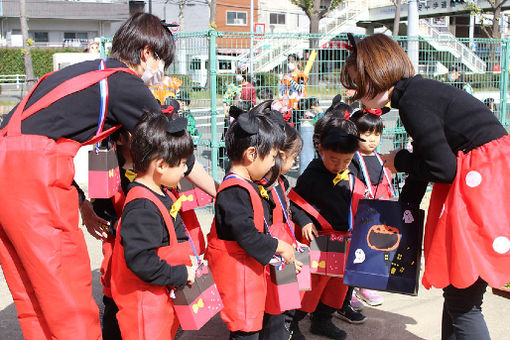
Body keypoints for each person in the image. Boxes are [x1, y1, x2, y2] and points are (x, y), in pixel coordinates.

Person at [0, 12, 181, 340]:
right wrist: (219, 187)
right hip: (36, 183)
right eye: (162, 60)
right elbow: (171, 150)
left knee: (35, 292)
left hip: (13, 169)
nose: (161, 72)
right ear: (146, 53)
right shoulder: (124, 84)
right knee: (66, 289)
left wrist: (86, 204)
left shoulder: (91, 78)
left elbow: (46, 140)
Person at [341, 33, 510, 340]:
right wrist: (403, 209)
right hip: (488, 184)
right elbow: (430, 156)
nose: (356, 96)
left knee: (464, 302)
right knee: (459, 294)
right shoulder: (418, 93)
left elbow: (441, 168)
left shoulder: (414, 102)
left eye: (357, 83)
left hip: (483, 190)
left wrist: (400, 161)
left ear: (375, 75)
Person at [206, 108, 299, 340]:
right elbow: (247, 235)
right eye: (271, 157)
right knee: (245, 331)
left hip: (247, 275)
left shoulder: (247, 184)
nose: (272, 165)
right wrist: (279, 246)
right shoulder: (235, 191)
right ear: (251, 154)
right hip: (239, 279)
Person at [110, 111, 197, 340]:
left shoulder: (161, 191)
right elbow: (141, 260)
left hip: (159, 304)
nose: (185, 170)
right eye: (181, 164)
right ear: (160, 165)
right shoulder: (142, 207)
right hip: (146, 313)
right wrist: (180, 273)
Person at [288, 114, 364, 340]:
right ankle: (292, 324)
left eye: (346, 160)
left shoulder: (351, 172)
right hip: (317, 241)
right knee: (309, 286)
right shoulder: (312, 173)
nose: (339, 165)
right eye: (333, 159)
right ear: (321, 149)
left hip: (343, 241)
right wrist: (304, 221)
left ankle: (323, 320)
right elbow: (294, 202)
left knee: (336, 286)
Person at [258, 107, 304, 340]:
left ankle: (284, 328)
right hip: (273, 254)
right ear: (279, 155)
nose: (295, 162)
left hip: (283, 249)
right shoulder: (260, 187)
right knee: (271, 307)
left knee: (282, 303)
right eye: (293, 158)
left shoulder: (279, 181)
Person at [347, 107, 396, 308]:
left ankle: (365, 285)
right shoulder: (352, 160)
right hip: (359, 211)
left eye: (377, 134)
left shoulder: (379, 157)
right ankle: (348, 290)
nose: (373, 140)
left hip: (379, 210)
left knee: (373, 247)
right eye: (367, 134)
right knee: (355, 249)